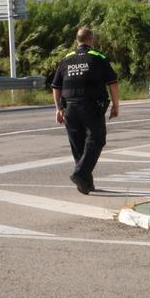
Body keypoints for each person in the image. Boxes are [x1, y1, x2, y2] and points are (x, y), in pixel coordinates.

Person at [51, 27, 120, 195]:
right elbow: (113, 83)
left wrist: (58, 109)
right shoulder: (98, 58)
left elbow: (56, 87)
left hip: (70, 108)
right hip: (91, 107)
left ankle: (86, 184)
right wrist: (116, 105)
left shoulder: (66, 59)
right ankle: (80, 174)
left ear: (77, 40)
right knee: (97, 140)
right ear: (91, 39)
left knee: (78, 145)